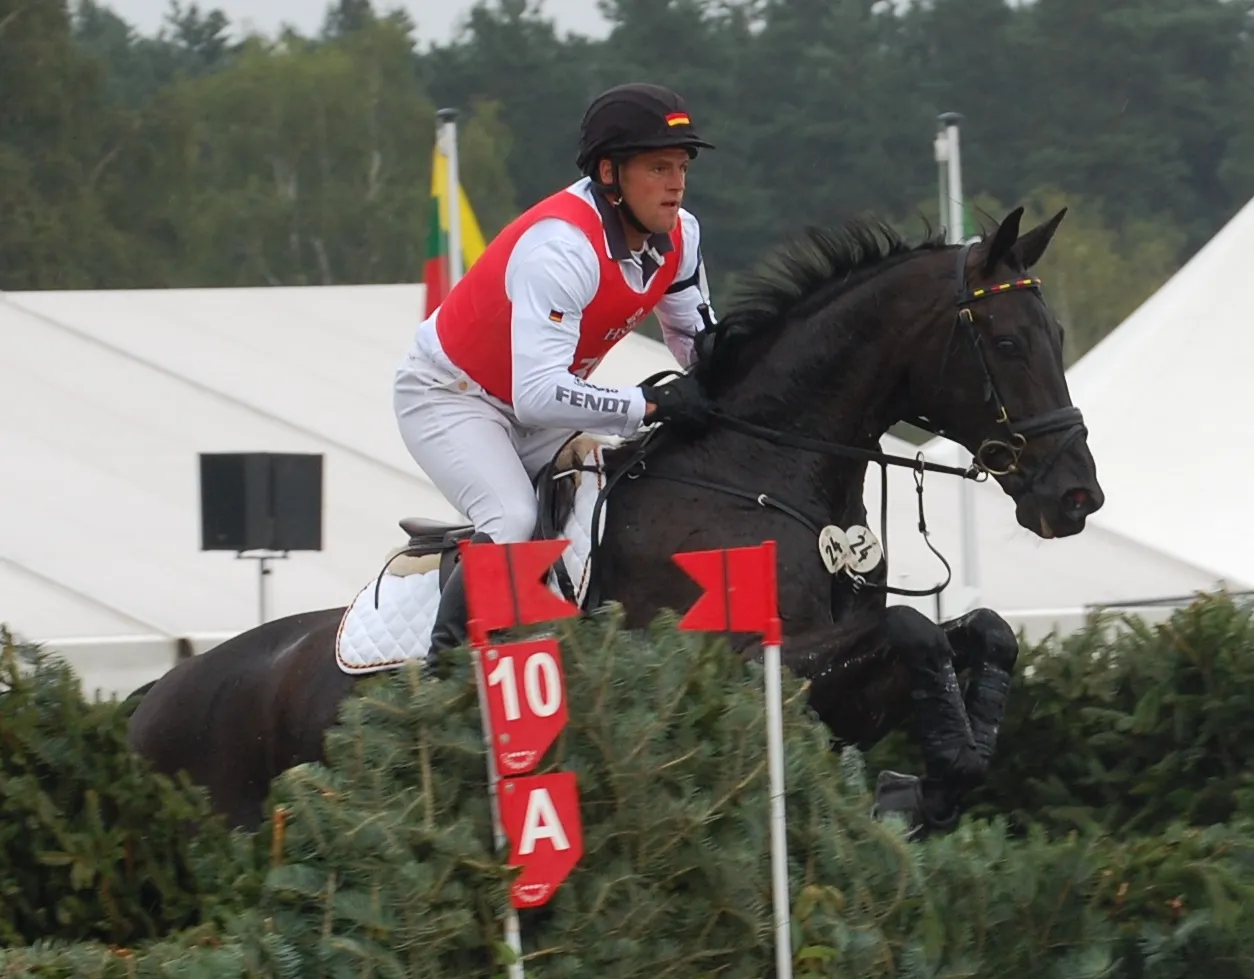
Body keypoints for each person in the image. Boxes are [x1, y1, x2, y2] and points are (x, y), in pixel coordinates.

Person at [393, 81, 719, 661]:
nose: (677, 184)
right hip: (451, 396)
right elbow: (540, 395)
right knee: (513, 515)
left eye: (682, 166)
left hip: (537, 402)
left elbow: (697, 343)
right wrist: (647, 406)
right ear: (610, 173)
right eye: (659, 167)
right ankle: (446, 672)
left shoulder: (681, 236)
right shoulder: (562, 249)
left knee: (627, 495)